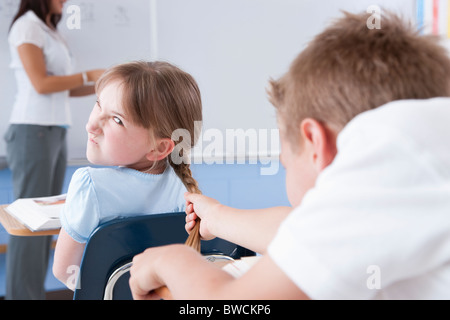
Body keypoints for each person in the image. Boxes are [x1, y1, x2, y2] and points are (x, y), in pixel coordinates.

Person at [128, 11, 450, 300]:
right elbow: (306, 233)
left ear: (315, 142)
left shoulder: (388, 158)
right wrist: (218, 216)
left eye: (285, 162)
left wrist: (171, 262)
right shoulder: (422, 152)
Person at [52, 60, 203, 290]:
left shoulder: (89, 185)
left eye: (117, 120)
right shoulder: (183, 190)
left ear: (159, 148)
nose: (91, 125)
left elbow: (64, 271)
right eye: (98, 104)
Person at [4, 0, 104, 300]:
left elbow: (66, 88)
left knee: (45, 224)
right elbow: (41, 83)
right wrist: (89, 74)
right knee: (28, 223)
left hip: (55, 131)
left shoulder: (49, 31)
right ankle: (23, 296)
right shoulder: (27, 27)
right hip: (32, 131)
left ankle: (31, 293)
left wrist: (104, 83)